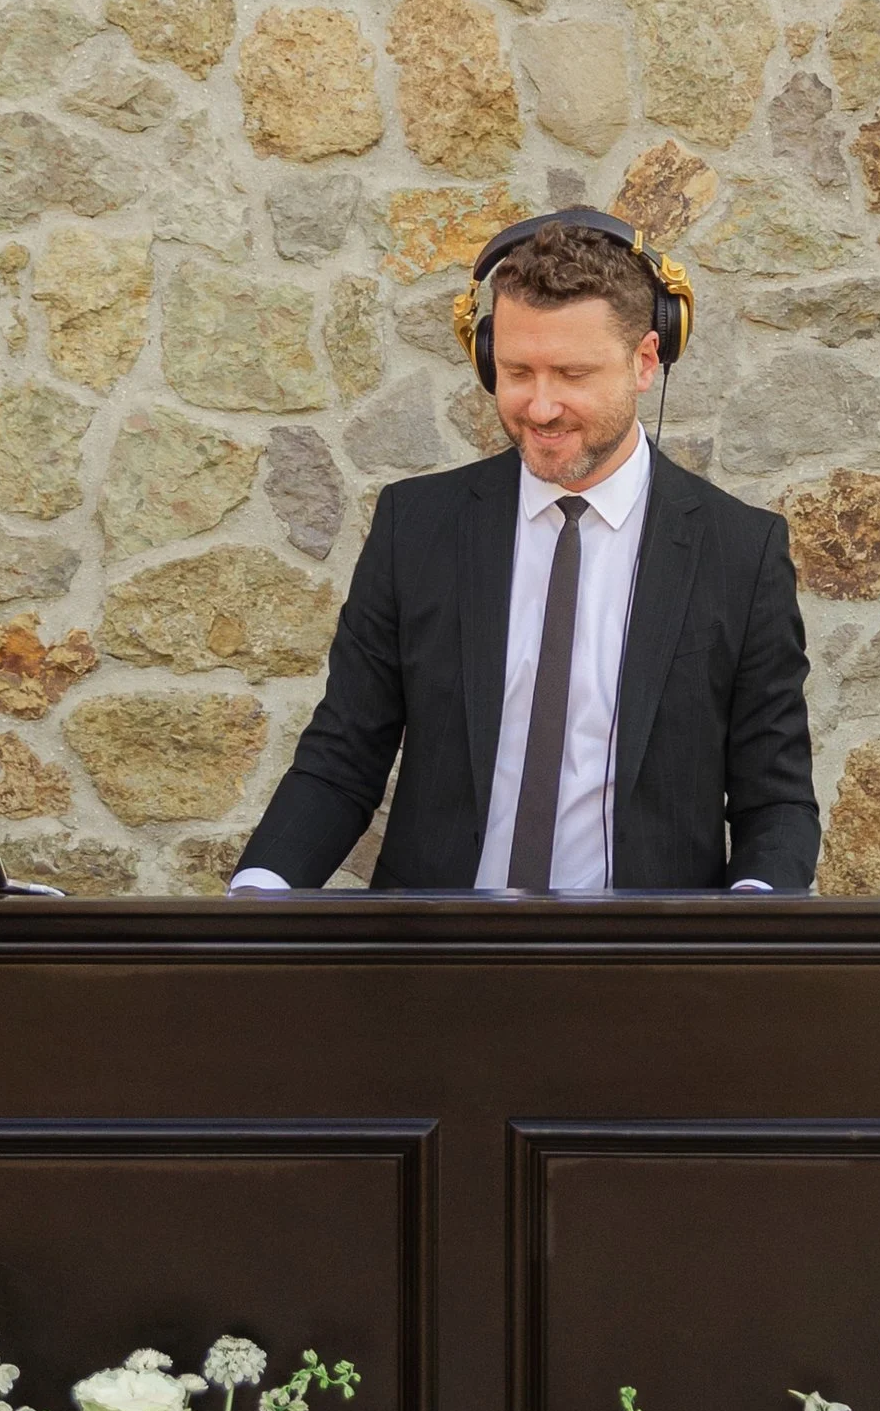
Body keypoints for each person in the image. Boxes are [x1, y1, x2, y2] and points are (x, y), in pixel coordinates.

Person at [230, 211, 819, 897]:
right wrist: (258, 895)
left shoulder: (739, 553)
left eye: (572, 373)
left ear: (645, 362)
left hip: (649, 975)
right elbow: (342, 757)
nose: (541, 408)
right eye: (517, 372)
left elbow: (774, 800)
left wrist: (745, 935)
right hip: (437, 967)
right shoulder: (414, 527)